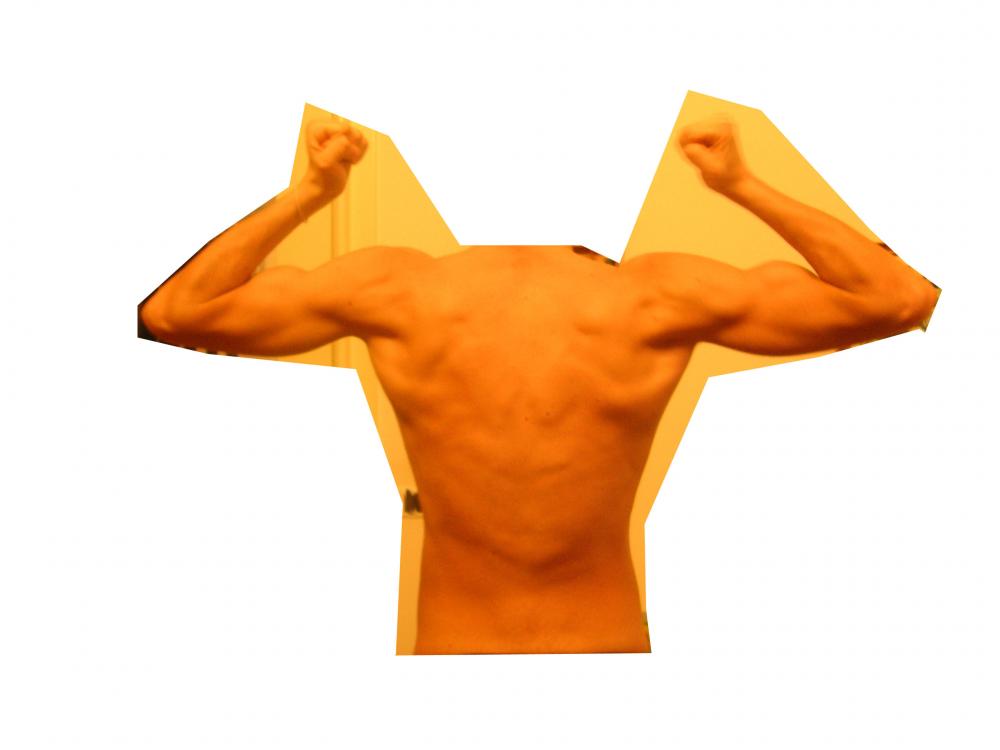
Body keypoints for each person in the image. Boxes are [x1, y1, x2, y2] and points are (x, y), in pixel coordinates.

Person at [139, 117, 939, 654]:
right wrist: (739, 185)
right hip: (604, 643)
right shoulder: (654, 296)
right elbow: (898, 299)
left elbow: (174, 313)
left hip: (454, 648)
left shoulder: (396, 290)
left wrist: (309, 196)